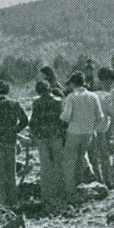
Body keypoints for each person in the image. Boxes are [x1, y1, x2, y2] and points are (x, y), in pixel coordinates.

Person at [0, 81, 28, 207]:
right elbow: (25, 120)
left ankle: (1, 204)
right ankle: (13, 202)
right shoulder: (14, 104)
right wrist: (15, 130)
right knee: (10, 173)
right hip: (10, 140)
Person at [61, 72, 105, 199]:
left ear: (73, 83)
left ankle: (70, 190)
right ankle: (81, 186)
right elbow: (100, 116)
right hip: (88, 132)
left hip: (74, 132)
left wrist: (62, 118)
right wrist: (92, 127)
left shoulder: (71, 97)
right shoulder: (93, 96)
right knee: (81, 159)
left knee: (69, 161)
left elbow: (66, 116)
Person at [29, 80, 66, 212]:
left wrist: (33, 134)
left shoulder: (37, 102)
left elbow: (33, 120)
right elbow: (62, 120)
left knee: (45, 167)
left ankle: (47, 195)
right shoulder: (58, 101)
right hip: (55, 135)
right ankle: (61, 193)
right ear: (49, 89)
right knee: (59, 164)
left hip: (42, 136)